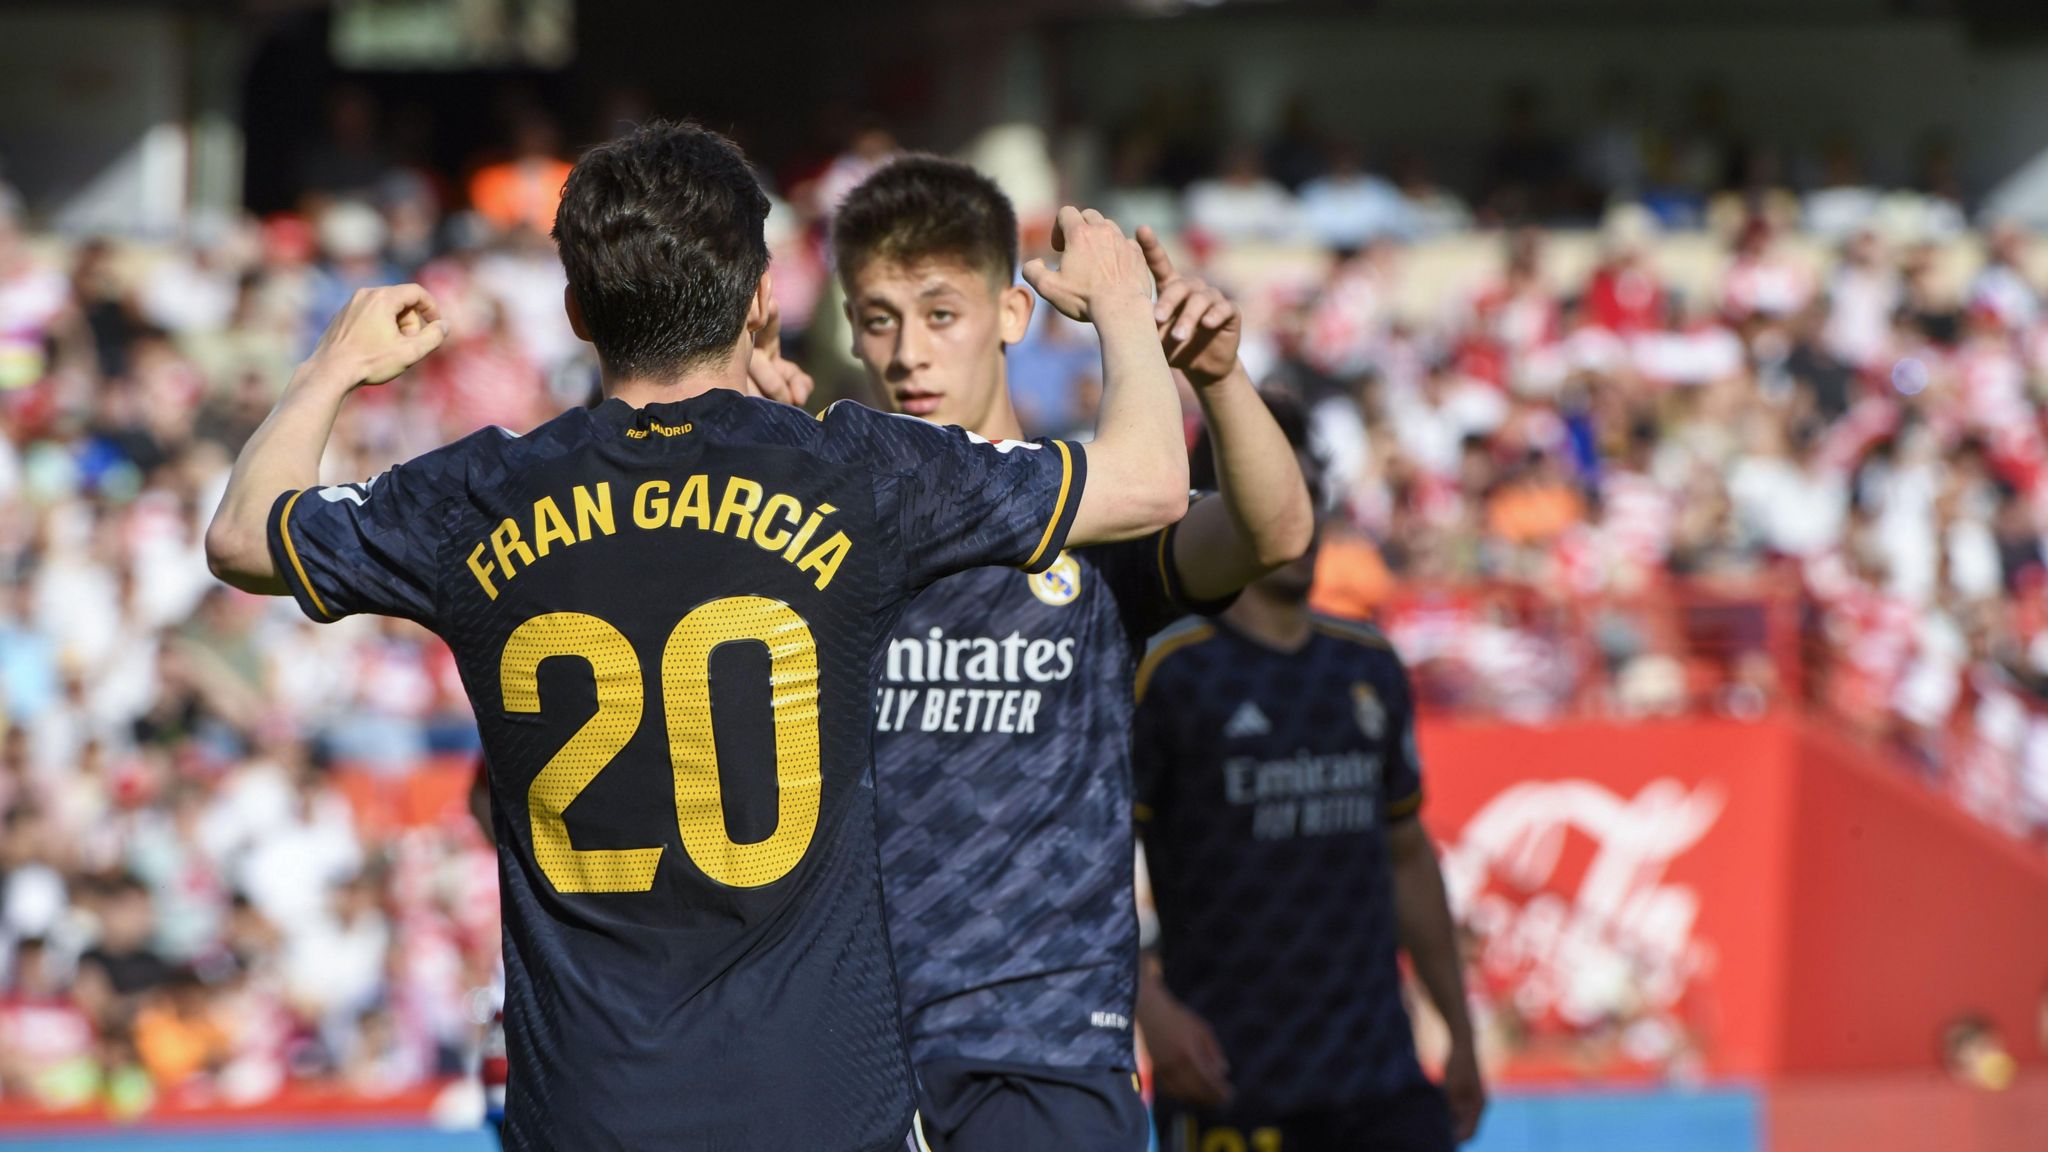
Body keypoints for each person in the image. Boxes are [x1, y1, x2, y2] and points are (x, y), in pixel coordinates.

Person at [202, 120, 1192, 1152]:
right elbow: (1150, 484)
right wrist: (1123, 309)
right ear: (760, 296)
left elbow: (240, 536)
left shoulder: (478, 494)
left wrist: (333, 367)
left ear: (579, 310)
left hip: (590, 1111)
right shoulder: (855, 473)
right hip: (819, 1108)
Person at [832, 157, 1313, 1151]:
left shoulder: (1087, 508)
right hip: (857, 1052)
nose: (908, 352)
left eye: (938, 312)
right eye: (878, 319)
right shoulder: (827, 527)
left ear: (1012, 315)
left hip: (1047, 1049)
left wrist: (1217, 379)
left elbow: (1271, 534)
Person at [1133, 409, 1485, 1151]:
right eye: (1273, 488)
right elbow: (1085, 863)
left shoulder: (1368, 663)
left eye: (1309, 488)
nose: (1300, 512)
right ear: (1217, 511)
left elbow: (1409, 855)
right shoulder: (1168, 670)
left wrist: (1458, 1029)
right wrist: (1148, 1006)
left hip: (1381, 1084)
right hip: (1232, 1085)